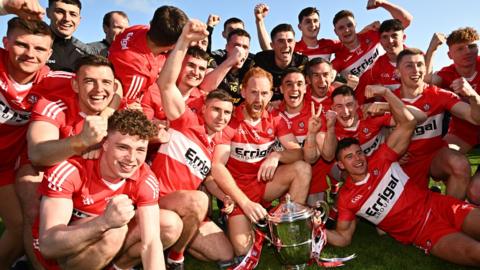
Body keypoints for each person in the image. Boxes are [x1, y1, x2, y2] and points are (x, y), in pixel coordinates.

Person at [328, 94, 480, 267]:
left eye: (359, 153)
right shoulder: (347, 198)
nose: (357, 159)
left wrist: (386, 94)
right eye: (349, 157)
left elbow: (409, 122)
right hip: (424, 231)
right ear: (340, 165)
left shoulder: (381, 159)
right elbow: (343, 237)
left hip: (439, 205)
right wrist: (315, 229)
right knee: (475, 253)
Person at [33, 109, 166, 270]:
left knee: (167, 223)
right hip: (57, 258)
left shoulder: (145, 178)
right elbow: (48, 246)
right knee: (115, 230)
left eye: (140, 150)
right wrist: (104, 222)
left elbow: (151, 243)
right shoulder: (71, 170)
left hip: (96, 246)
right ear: (105, 143)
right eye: (123, 147)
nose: (131, 159)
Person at [151, 19, 235, 269]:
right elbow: (166, 84)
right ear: (204, 108)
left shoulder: (214, 142)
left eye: (227, 113)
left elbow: (208, 177)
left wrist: (224, 195)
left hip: (187, 206)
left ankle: (175, 241)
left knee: (225, 254)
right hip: (160, 200)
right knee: (200, 201)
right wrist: (184, 41)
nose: (221, 117)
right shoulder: (186, 120)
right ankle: (175, 257)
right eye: (216, 110)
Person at [211, 67, 311, 259]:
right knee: (243, 250)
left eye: (264, 93)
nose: (259, 99)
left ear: (271, 93)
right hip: (237, 191)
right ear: (243, 92)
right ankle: (247, 220)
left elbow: (298, 153)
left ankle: (288, 229)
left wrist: (276, 156)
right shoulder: (230, 119)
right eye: (254, 92)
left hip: (263, 184)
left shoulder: (275, 118)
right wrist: (245, 203)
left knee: (303, 169)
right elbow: (217, 166)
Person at [393, 48, 480, 204]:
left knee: (460, 165)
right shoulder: (389, 99)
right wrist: (394, 152)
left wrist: (473, 96)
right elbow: (376, 135)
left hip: (434, 156)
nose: (416, 70)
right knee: (397, 221)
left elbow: (475, 118)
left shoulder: (438, 94)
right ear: (398, 72)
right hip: (405, 162)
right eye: (409, 65)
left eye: (420, 64)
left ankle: (449, 215)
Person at [0, 16, 53, 269]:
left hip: (6, 166)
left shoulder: (50, 80)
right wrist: (5, 7)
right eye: (22, 45)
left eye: (40, 48)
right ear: (6, 43)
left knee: (20, 227)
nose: (31, 54)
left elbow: (102, 83)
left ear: (49, 53)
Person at [109, 5, 188, 104]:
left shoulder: (138, 28)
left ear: (151, 23)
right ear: (173, 45)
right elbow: (126, 106)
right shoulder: (138, 73)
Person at [425, 27, 480, 154]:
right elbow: (426, 81)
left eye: (471, 46)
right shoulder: (447, 74)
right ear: (450, 55)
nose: (467, 51)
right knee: (443, 157)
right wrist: (432, 50)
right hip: (463, 132)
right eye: (460, 49)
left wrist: (472, 94)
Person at [331, 0, 412, 78]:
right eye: (341, 28)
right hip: (364, 92)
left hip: (394, 86)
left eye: (349, 25)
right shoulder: (338, 60)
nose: (347, 30)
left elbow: (405, 21)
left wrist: (383, 3)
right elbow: (326, 78)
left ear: (355, 24)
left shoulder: (372, 34)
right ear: (335, 32)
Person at [355, 19, 406, 105]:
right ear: (380, 41)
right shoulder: (375, 66)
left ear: (403, 38)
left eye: (394, 36)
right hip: (391, 115)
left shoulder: (418, 58)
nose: (390, 41)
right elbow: (370, 99)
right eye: (385, 37)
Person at [253, 23, 308, 102]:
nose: (286, 45)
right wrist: (267, 103)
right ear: (272, 45)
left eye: (290, 41)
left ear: (294, 43)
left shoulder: (302, 62)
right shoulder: (261, 61)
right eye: (281, 41)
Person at [201, 28, 253, 105]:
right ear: (227, 47)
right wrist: (231, 60)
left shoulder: (251, 64)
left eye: (245, 47)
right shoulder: (216, 59)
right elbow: (205, 87)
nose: (240, 51)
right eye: (236, 46)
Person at [45, 0, 96, 72]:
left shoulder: (87, 53)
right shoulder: (33, 45)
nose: (67, 19)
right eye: (60, 12)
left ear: (79, 19)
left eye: (73, 14)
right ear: (48, 13)